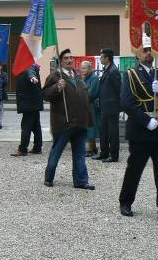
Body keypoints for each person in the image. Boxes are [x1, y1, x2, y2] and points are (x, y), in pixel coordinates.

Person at [118, 41, 158, 223]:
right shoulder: (130, 75)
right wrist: (146, 121)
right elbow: (126, 103)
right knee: (135, 169)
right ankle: (125, 202)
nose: (148, 54)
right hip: (140, 129)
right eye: (145, 51)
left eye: (151, 51)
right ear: (138, 54)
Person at [42, 49, 95, 190]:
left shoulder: (78, 75)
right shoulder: (55, 76)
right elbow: (46, 95)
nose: (70, 60)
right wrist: (57, 87)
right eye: (66, 58)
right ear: (61, 61)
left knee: (80, 154)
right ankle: (49, 177)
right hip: (63, 122)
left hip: (80, 122)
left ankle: (81, 181)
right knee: (57, 151)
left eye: (71, 57)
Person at [93, 48, 120, 163]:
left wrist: (117, 105)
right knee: (104, 131)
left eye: (101, 57)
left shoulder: (113, 71)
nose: (100, 59)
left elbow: (119, 89)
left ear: (107, 58)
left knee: (112, 133)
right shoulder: (107, 69)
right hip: (105, 106)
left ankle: (114, 156)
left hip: (112, 107)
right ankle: (104, 153)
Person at [11, 64, 43, 157]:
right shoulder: (29, 67)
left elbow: (30, 73)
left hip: (29, 104)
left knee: (26, 127)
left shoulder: (28, 67)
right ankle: (37, 148)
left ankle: (23, 149)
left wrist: (32, 78)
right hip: (34, 103)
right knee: (36, 126)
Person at [81, 60, 100, 157]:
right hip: (86, 105)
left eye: (84, 68)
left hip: (91, 106)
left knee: (91, 127)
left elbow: (91, 94)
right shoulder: (85, 77)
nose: (82, 70)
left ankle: (91, 148)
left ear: (89, 68)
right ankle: (93, 147)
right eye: (81, 67)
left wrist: (81, 95)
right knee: (88, 126)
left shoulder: (94, 78)